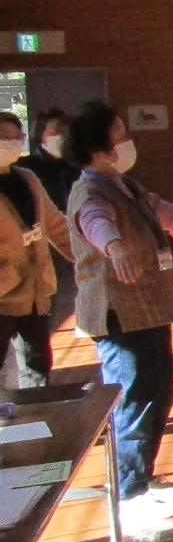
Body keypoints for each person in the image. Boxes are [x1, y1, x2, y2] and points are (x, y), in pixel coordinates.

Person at [65, 102, 173, 534]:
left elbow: (162, 209)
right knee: (134, 394)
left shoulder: (123, 184)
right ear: (99, 148)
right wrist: (117, 247)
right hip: (120, 313)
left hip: (147, 308)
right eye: (120, 135)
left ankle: (143, 476)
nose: (128, 142)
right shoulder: (91, 192)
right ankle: (128, 494)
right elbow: (96, 223)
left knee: (158, 391)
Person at [0, 112, 73, 386]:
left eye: (15, 137)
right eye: (2, 137)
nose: (10, 142)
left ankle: (35, 420)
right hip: (3, 295)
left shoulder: (27, 178)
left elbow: (55, 224)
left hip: (35, 292)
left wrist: (89, 258)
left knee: (37, 366)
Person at [20, 108, 79, 209]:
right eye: (56, 132)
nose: (62, 136)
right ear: (40, 134)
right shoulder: (25, 167)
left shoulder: (77, 165)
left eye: (66, 132)